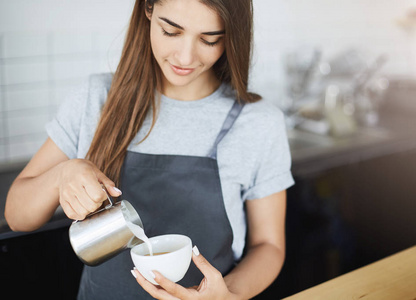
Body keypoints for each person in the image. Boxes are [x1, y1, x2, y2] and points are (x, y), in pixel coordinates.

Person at [5, 0, 294, 299]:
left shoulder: (258, 122)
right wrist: (62, 175)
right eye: (171, 31)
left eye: (210, 39)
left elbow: (269, 246)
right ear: (148, 10)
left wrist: (228, 294)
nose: (185, 56)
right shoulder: (97, 100)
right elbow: (16, 215)